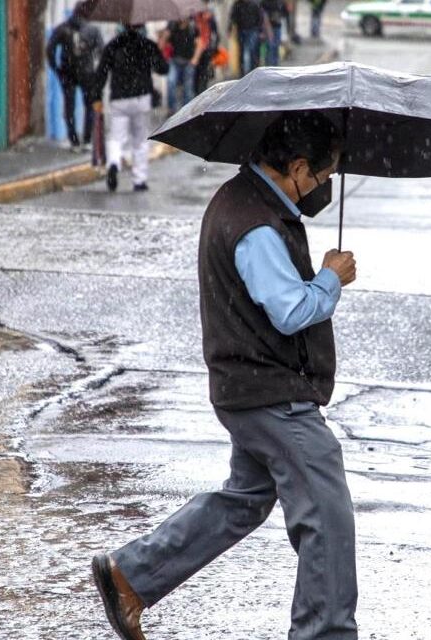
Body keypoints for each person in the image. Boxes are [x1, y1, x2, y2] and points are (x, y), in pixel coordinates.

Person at [90, 110, 359, 640]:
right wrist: (331, 278)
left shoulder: (246, 202)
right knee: (327, 518)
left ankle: (131, 574)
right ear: (298, 167)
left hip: (248, 387)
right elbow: (289, 310)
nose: (322, 189)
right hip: (271, 395)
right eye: (322, 178)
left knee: (245, 499)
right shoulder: (256, 225)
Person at [93, 24, 169, 192]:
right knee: (140, 140)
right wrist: (158, 50)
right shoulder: (147, 44)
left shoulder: (113, 45)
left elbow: (101, 73)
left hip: (119, 98)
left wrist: (96, 96)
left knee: (116, 137)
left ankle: (113, 162)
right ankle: (139, 180)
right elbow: (163, 69)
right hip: (142, 97)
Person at [47, 12, 104, 150]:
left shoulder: (62, 29)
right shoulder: (93, 30)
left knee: (69, 106)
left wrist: (56, 68)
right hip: (87, 73)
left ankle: (74, 141)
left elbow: (50, 49)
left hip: (67, 72)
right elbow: (101, 51)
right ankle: (87, 140)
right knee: (89, 105)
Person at [159, 19, 202, 111]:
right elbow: (161, 45)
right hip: (174, 61)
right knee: (170, 82)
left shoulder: (192, 27)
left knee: (188, 88)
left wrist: (195, 59)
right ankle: (172, 109)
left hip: (188, 61)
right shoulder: (172, 26)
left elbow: (199, 44)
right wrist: (165, 35)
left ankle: (186, 111)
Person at [229, 0, 267, 76]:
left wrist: (261, 31)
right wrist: (230, 29)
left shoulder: (254, 4)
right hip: (242, 30)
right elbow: (233, 18)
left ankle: (251, 73)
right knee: (244, 53)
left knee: (251, 52)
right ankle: (245, 73)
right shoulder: (238, 4)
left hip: (252, 30)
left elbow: (260, 18)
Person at [193, 5, 222, 94]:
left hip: (206, 51)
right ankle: (198, 94)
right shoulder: (194, 19)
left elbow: (216, 34)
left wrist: (213, 50)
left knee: (203, 74)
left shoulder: (209, 19)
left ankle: (201, 94)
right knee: (197, 75)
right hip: (196, 51)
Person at [261, 0, 286, 66]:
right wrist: (268, 29)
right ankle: (268, 67)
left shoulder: (280, 2)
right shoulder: (265, 2)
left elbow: (284, 16)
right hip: (268, 28)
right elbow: (264, 16)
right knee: (270, 47)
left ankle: (275, 66)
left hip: (278, 27)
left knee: (276, 47)